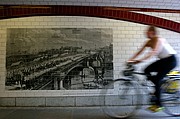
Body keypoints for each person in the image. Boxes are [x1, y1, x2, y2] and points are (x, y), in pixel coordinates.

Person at [128, 25, 177, 112]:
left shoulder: (159, 40)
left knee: (157, 79)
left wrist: (138, 61)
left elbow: (153, 53)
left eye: (148, 31)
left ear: (152, 32)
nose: (146, 32)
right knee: (146, 70)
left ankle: (159, 104)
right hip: (163, 60)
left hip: (171, 60)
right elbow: (140, 51)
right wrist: (131, 59)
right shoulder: (149, 42)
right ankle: (158, 86)